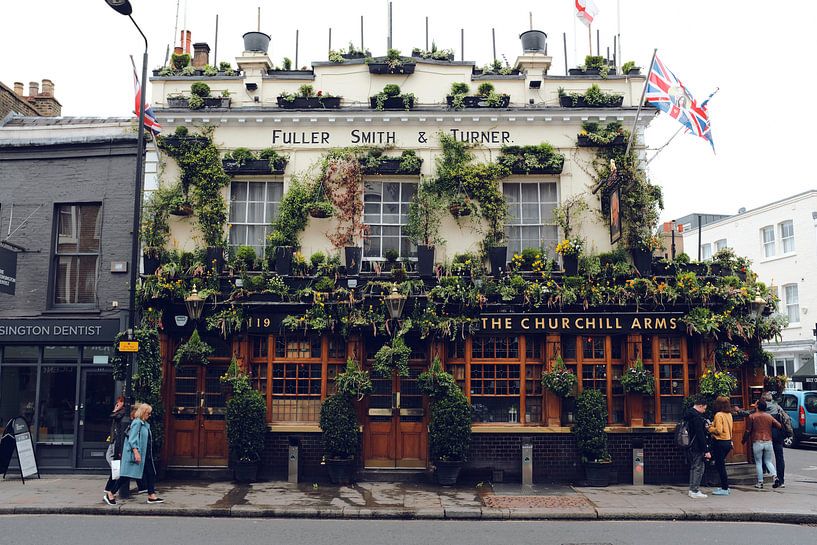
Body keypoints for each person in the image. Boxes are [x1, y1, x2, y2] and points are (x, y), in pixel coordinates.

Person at [114, 403, 163, 504]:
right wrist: (136, 453)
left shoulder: (144, 424)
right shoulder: (137, 423)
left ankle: (151, 495)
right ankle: (110, 492)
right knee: (126, 475)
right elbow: (132, 439)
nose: (149, 415)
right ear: (143, 412)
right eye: (148, 413)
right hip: (140, 454)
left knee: (151, 473)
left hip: (146, 453)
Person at [746, 399, 781, 489]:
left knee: (758, 462)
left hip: (757, 441)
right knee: (768, 461)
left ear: (757, 406)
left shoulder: (752, 416)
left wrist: (744, 440)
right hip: (768, 441)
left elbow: (748, 430)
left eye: (756, 403)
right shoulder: (769, 416)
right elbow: (779, 425)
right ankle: (775, 477)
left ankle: (760, 482)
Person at [684, 398, 712, 498]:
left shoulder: (688, 414)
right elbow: (700, 435)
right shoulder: (696, 417)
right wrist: (706, 450)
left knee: (694, 467)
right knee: (699, 468)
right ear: (700, 406)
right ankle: (694, 490)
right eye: (704, 409)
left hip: (689, 445)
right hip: (697, 446)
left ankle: (692, 489)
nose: (704, 411)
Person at [103, 396, 127, 505]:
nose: (118, 403)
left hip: (117, 442)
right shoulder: (121, 412)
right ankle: (109, 491)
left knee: (116, 468)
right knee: (113, 465)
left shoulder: (122, 412)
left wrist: (115, 410)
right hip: (114, 441)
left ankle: (109, 491)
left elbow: (112, 416)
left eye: (120, 401)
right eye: (118, 401)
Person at [708, 395, 734, 496]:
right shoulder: (729, 414)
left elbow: (718, 430)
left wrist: (709, 428)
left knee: (720, 466)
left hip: (720, 442)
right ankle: (724, 487)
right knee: (720, 464)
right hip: (727, 441)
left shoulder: (719, 415)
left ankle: (725, 488)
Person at [763, 391, 789, 489]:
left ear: (764, 399)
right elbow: (786, 419)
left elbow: (750, 413)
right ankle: (781, 480)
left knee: (764, 457)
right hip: (778, 434)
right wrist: (789, 433)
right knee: (779, 457)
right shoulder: (777, 407)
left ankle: (761, 478)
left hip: (766, 435)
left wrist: (739, 411)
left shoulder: (762, 408)